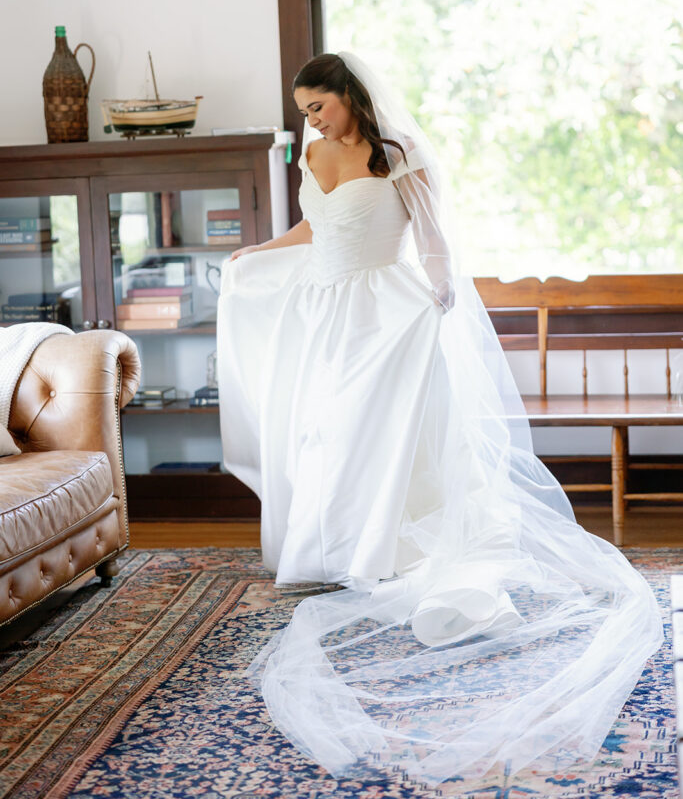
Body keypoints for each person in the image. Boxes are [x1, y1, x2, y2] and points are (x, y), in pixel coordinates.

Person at [217, 51, 663, 785]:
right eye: (304, 111)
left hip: (387, 310)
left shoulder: (396, 152)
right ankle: (329, 547)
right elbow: (312, 225)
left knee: (382, 433)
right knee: (326, 430)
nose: (312, 120)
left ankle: (385, 549)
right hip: (326, 310)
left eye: (319, 106)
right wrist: (258, 251)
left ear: (349, 97)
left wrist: (440, 284)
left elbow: (430, 229)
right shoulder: (315, 151)